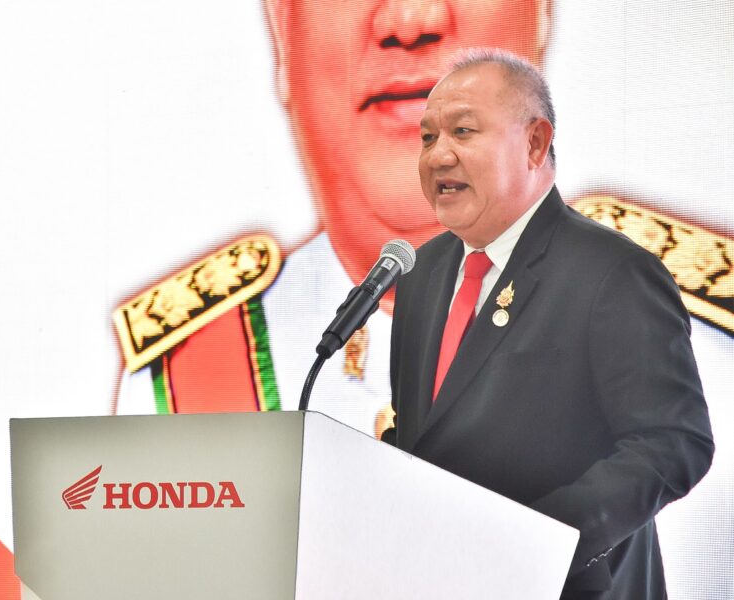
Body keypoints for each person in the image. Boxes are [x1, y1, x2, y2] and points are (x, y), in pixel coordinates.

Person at [115, 0, 554, 436]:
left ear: (543, 15)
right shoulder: (186, 383)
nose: (410, 20)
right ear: (282, 27)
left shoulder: (598, 306)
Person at [381, 48, 714, 598]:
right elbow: (422, 435)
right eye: (427, 138)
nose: (438, 156)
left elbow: (673, 442)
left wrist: (542, 543)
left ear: (535, 143)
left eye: (462, 131)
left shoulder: (612, 273)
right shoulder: (420, 273)